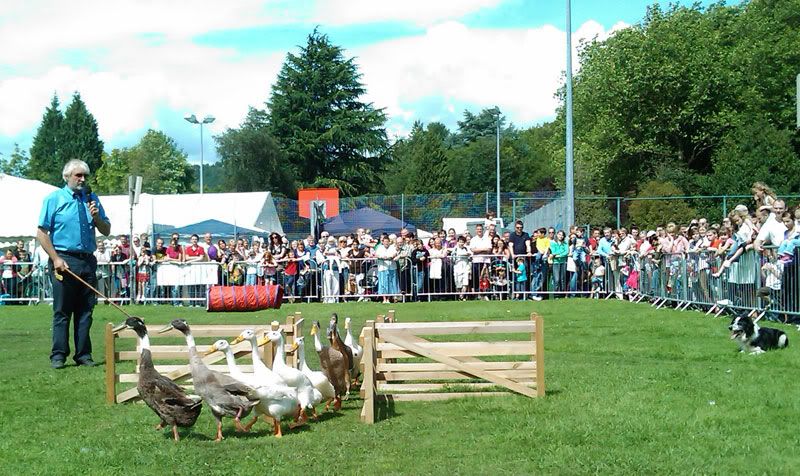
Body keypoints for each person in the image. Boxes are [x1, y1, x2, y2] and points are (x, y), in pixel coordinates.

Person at [37, 159, 111, 369]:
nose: (82, 179)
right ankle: (58, 355)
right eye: (78, 175)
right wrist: (55, 258)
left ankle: (84, 355)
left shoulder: (92, 199)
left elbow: (106, 230)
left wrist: (97, 217)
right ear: (67, 176)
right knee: (62, 311)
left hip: (88, 260)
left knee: (86, 311)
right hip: (64, 259)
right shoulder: (54, 199)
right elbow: (42, 233)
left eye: (85, 175)